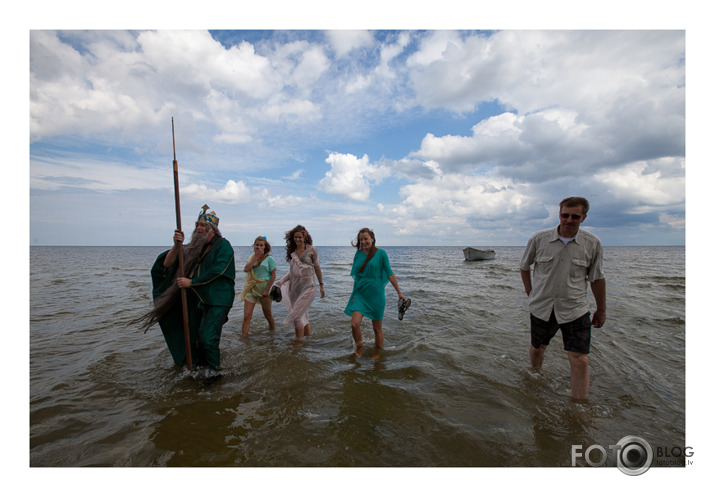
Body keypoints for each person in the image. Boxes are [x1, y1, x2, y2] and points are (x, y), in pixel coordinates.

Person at [519, 197, 606, 401]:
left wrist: (601, 309)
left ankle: (579, 406)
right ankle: (535, 375)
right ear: (559, 214)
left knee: (580, 360)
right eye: (565, 215)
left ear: (583, 218)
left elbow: (597, 278)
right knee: (538, 348)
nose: (568, 220)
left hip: (576, 309)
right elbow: (524, 267)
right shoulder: (539, 239)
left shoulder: (592, 244)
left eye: (575, 216)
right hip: (542, 307)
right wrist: (531, 293)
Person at [133, 205, 235, 373]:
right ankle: (200, 368)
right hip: (200, 301)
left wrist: (191, 282)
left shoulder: (223, 245)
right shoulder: (195, 247)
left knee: (208, 338)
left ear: (213, 230)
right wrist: (176, 245)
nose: (200, 229)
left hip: (218, 300)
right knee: (199, 338)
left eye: (204, 226)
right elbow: (167, 265)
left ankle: (215, 375)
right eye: (198, 226)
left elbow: (218, 270)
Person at [344, 228, 406, 358]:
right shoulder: (359, 254)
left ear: (372, 238)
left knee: (377, 328)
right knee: (354, 324)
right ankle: (359, 347)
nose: (363, 241)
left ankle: (378, 352)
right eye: (361, 239)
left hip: (376, 295)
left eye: (366, 238)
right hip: (361, 294)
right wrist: (353, 295)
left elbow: (390, 273)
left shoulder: (381, 253)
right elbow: (357, 277)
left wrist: (399, 293)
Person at [274, 225, 325, 341]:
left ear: (304, 236)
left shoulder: (312, 250)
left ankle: (299, 344)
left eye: (299, 237)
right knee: (302, 316)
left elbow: (317, 268)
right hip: (295, 288)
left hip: (309, 287)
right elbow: (291, 273)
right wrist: (279, 283)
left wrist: (321, 286)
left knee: (296, 316)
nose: (297, 239)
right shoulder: (293, 252)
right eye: (295, 237)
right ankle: (308, 341)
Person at [238, 236, 277, 335]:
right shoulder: (252, 258)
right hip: (252, 288)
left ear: (265, 247)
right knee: (247, 316)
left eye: (261, 245)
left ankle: (273, 332)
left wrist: (266, 290)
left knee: (267, 315)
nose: (258, 247)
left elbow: (273, 275)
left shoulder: (269, 259)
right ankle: (244, 338)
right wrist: (256, 256)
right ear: (254, 246)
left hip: (264, 287)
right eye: (257, 245)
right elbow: (246, 269)